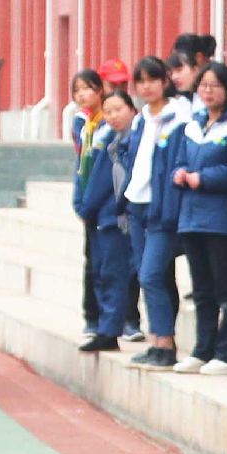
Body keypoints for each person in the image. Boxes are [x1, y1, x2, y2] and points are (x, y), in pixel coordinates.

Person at [165, 63, 227, 373]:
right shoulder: (191, 124)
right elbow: (177, 161)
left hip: (221, 219)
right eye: (203, 85)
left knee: (226, 287)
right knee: (201, 288)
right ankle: (202, 349)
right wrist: (179, 173)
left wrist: (202, 178)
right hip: (191, 217)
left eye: (215, 85)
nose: (208, 91)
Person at [123, 58, 195, 368]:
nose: (146, 86)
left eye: (153, 79)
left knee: (151, 274)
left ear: (165, 81)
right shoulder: (141, 119)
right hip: (136, 204)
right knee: (151, 275)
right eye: (140, 81)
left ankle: (165, 343)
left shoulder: (179, 116)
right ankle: (158, 341)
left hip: (162, 206)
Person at [77, 90, 139, 351]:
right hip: (98, 216)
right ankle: (105, 327)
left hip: (116, 217)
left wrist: (88, 205)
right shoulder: (104, 138)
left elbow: (107, 182)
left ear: (132, 110)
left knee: (114, 274)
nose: (113, 116)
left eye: (118, 109)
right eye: (108, 110)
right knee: (101, 272)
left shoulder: (131, 141)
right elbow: (84, 174)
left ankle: (111, 329)